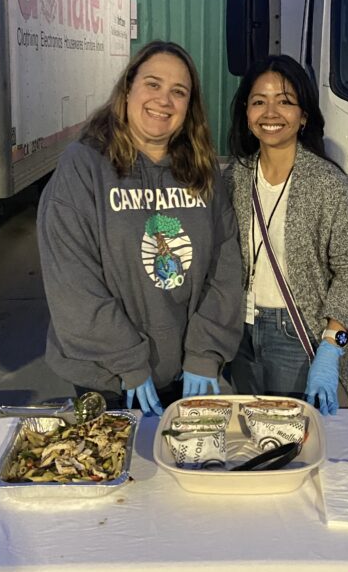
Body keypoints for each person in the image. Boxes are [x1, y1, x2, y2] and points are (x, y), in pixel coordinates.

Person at [37, 41, 242, 415]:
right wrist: (126, 360)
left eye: (178, 92)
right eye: (153, 84)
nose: (164, 100)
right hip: (111, 376)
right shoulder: (84, 167)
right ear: (128, 88)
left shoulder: (202, 171)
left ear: (189, 107)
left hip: (189, 372)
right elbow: (72, 282)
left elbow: (226, 265)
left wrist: (205, 349)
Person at [225, 55, 348, 414]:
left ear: (303, 116)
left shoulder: (328, 185)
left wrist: (332, 345)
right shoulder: (233, 178)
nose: (271, 112)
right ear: (246, 114)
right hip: (242, 334)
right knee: (252, 435)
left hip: (300, 335)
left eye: (285, 101)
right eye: (259, 101)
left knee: (296, 442)